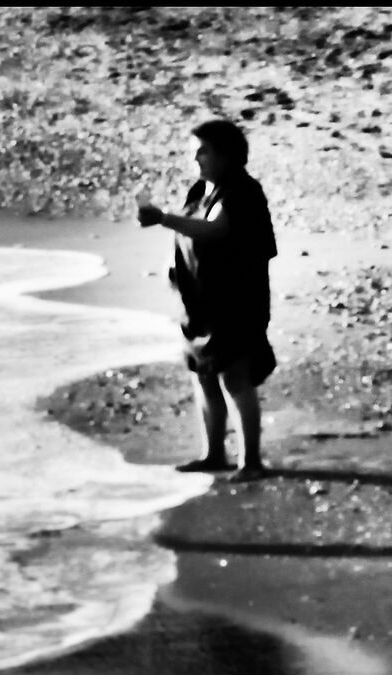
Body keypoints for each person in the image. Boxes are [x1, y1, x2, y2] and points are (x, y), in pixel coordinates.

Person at [138, 119, 279, 482]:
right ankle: (213, 454)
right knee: (203, 377)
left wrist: (162, 218)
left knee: (235, 378)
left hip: (235, 302)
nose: (195, 157)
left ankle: (251, 462)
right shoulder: (201, 189)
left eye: (203, 150)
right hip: (199, 303)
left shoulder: (243, 192)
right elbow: (191, 233)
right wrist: (175, 270)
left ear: (227, 155)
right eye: (194, 150)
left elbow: (216, 229)